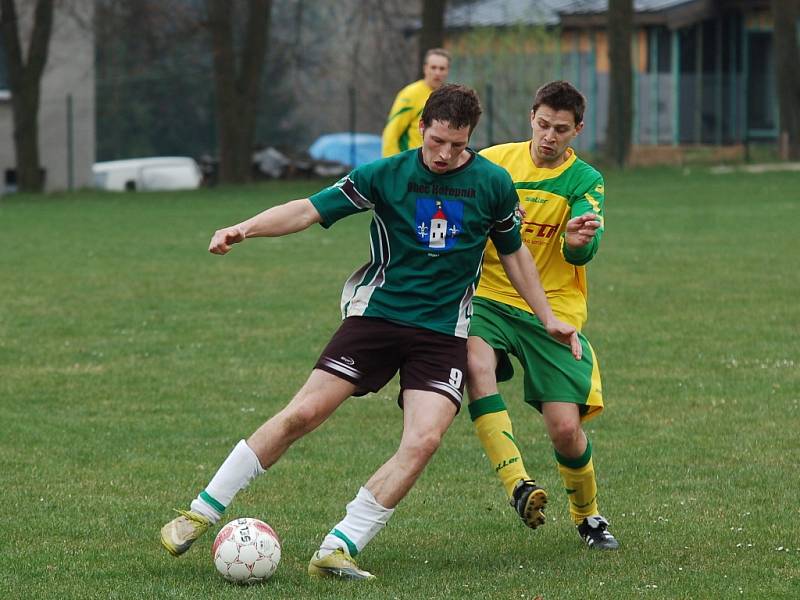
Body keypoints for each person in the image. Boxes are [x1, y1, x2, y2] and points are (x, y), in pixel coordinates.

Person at [160, 84, 582, 580]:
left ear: (470, 138)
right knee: (303, 413)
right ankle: (199, 512)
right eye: (437, 141)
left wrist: (548, 316)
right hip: (376, 318)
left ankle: (339, 547)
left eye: (458, 144)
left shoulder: (492, 184)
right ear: (422, 127)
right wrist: (243, 228)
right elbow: (308, 208)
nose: (445, 155)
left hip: (443, 333)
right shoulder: (386, 174)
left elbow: (515, 255)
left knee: (424, 440)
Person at [466, 80, 619, 550]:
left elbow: (584, 245)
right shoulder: (492, 162)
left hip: (551, 309)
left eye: (562, 129)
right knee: (475, 364)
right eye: (543, 124)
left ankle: (588, 518)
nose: (550, 136)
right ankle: (517, 483)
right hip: (489, 297)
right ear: (531, 117)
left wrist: (577, 242)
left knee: (566, 429)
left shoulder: (585, 180)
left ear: (578, 131)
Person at [381, 48, 450, 157]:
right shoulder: (410, 94)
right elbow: (391, 132)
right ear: (425, 68)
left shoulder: (449, 97)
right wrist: (392, 166)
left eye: (442, 69)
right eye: (433, 67)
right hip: (412, 163)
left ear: (447, 71)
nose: (437, 72)